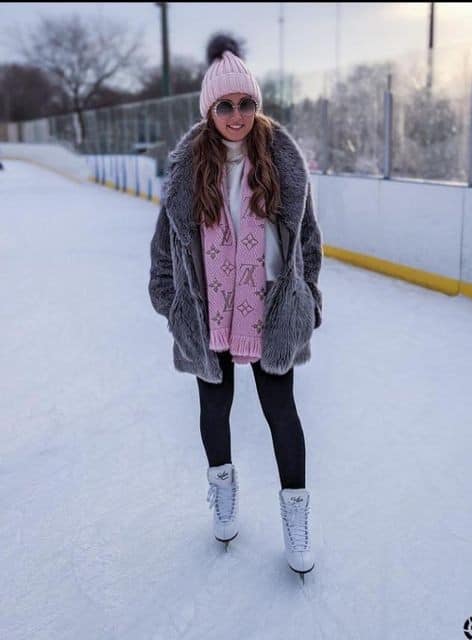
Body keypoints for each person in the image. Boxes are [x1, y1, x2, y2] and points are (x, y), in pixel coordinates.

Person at [148, 33, 323, 577]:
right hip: (207, 314)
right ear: (209, 109)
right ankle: (222, 493)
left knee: (281, 412)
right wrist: (172, 302)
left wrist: (306, 301)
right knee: (214, 408)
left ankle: (296, 517)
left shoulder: (282, 163)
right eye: (225, 104)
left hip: (269, 312)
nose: (237, 114)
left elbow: (308, 242)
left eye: (246, 103)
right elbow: (164, 249)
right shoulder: (187, 171)